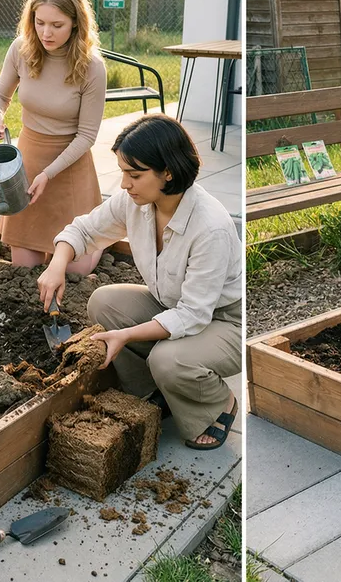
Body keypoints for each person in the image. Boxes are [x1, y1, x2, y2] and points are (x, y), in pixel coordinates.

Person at [37, 115, 242, 451]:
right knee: (103, 302)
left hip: (225, 321)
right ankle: (154, 390)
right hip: (173, 305)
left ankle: (218, 403)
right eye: (123, 173)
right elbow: (84, 229)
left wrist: (127, 334)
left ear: (168, 172)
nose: (124, 184)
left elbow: (193, 314)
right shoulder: (138, 203)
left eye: (134, 175)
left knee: (168, 360)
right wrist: (57, 264)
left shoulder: (210, 227)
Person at [0, 0, 108, 273]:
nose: (46, 32)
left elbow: (87, 136)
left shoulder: (92, 67)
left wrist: (49, 173)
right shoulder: (21, 49)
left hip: (69, 167)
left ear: (76, 23)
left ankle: (100, 240)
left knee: (74, 272)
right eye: (39, 22)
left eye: (57, 25)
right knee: (24, 270)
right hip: (28, 164)